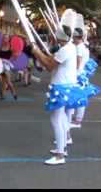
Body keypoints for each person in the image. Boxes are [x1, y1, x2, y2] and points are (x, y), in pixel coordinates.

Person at [31, 26, 78, 165]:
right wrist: (40, 52)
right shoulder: (68, 47)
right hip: (65, 86)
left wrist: (37, 52)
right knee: (61, 119)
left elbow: (49, 66)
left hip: (61, 87)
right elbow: (51, 59)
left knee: (56, 120)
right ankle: (62, 149)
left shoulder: (65, 50)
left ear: (59, 36)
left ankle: (59, 155)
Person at [0, 34, 18, 100]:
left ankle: (14, 93)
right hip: (0, 65)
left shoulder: (11, 47)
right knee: (2, 81)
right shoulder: (0, 46)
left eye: (6, 38)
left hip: (7, 65)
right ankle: (3, 95)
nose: (5, 39)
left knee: (8, 81)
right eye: (4, 38)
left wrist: (10, 60)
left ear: (9, 39)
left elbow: (15, 56)